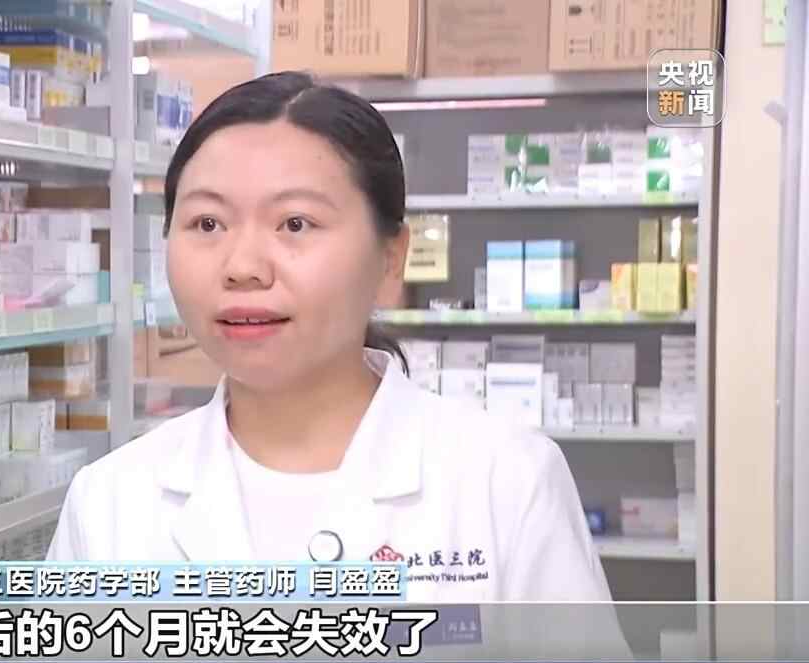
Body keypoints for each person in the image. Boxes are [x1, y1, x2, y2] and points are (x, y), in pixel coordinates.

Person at [46, 71, 615, 602]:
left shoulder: (506, 482)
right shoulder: (109, 501)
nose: (243, 267)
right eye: (208, 224)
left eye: (295, 223)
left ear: (391, 258)